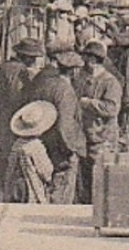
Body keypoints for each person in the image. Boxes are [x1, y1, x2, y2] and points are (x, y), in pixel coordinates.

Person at [0, 38, 44, 202]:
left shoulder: (2, 67)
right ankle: (5, 201)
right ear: (27, 57)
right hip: (11, 121)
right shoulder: (21, 72)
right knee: (10, 166)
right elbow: (18, 97)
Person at [27, 50, 87, 204]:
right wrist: (71, 150)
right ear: (74, 70)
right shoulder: (65, 90)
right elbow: (64, 125)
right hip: (61, 150)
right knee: (61, 199)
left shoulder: (42, 84)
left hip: (43, 143)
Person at [75, 39, 123, 160]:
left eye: (86, 59)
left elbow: (112, 109)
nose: (83, 63)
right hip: (85, 136)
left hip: (102, 139)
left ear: (93, 60)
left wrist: (88, 103)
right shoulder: (82, 78)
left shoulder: (110, 82)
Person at [5, 100, 58, 204]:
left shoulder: (17, 144)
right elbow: (45, 171)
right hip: (32, 187)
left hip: (16, 185)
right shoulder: (36, 146)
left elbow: (10, 166)